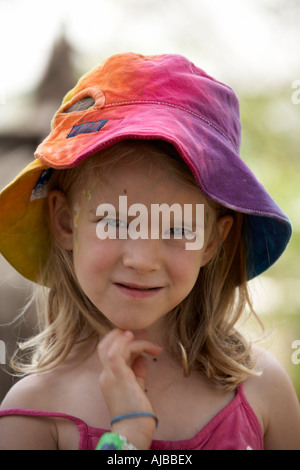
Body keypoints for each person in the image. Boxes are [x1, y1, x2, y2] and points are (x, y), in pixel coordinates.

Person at [0, 52, 299, 450]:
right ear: (65, 223)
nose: (141, 260)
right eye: (115, 222)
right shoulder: (35, 412)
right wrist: (124, 443)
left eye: (177, 229)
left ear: (212, 240)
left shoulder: (263, 391)